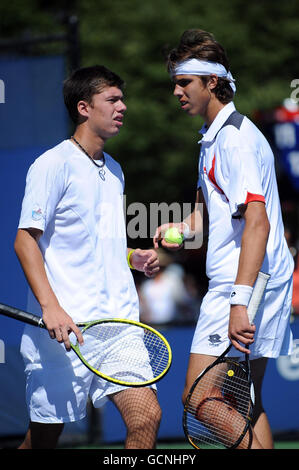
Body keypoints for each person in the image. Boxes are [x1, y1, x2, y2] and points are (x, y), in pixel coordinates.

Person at [154, 29, 294, 449]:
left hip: (246, 284)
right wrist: (180, 229)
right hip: (251, 280)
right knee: (242, 401)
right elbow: (205, 214)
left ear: (212, 82)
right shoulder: (213, 137)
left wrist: (239, 301)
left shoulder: (234, 141)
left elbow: (258, 223)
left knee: (199, 398)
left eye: (185, 82)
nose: (176, 91)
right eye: (175, 83)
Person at [14, 65, 162, 449]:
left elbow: (102, 242)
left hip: (119, 327)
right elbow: (24, 241)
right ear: (84, 108)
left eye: (122, 99)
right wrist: (52, 308)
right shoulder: (52, 164)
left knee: (147, 417)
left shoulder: (114, 171)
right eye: (112, 100)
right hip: (66, 332)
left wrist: (133, 257)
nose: (123, 107)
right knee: (44, 440)